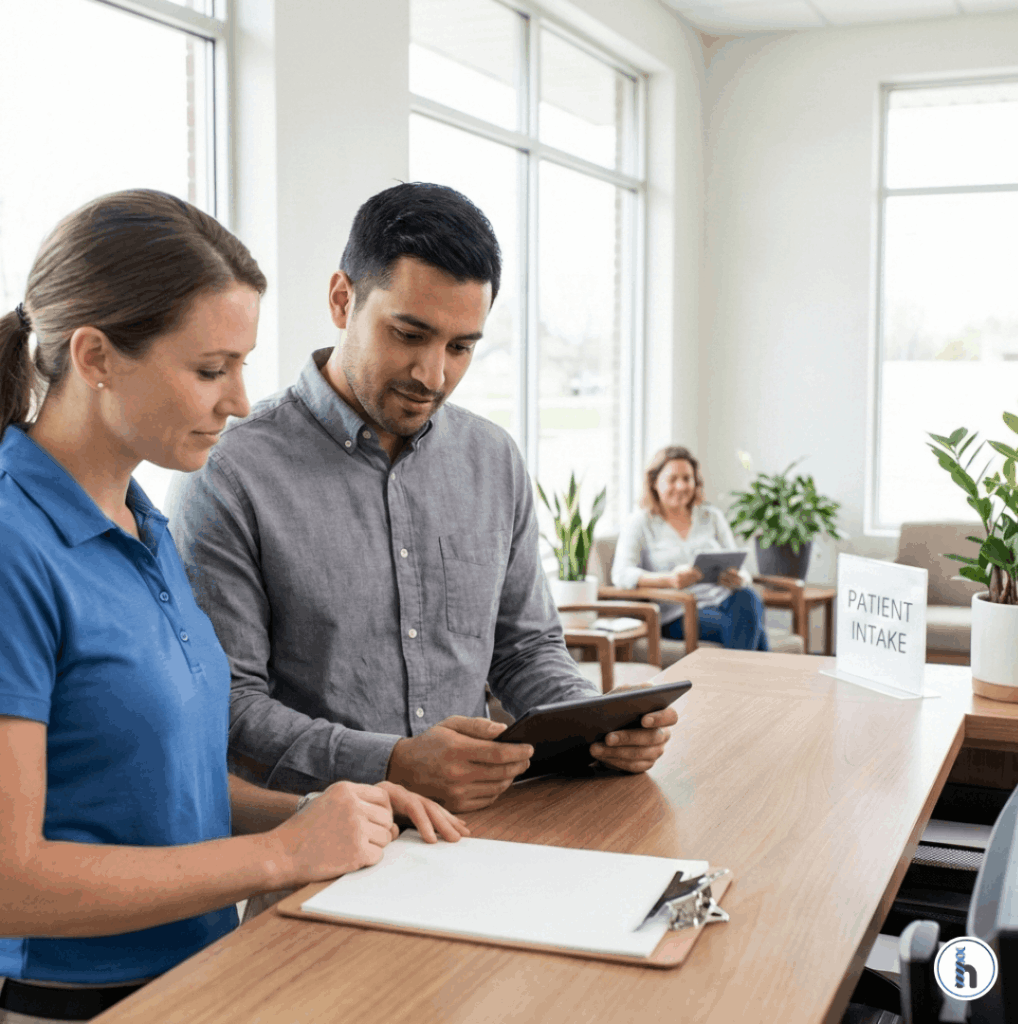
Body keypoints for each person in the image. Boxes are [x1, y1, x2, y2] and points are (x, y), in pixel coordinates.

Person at [0, 190, 465, 1024]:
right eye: (211, 370)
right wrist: (280, 853)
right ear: (96, 356)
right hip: (75, 1003)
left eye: (243, 365)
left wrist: (327, 810)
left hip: (203, 975)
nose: (242, 400)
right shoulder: (12, 545)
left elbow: (164, 787)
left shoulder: (141, 520)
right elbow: (11, 883)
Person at [168, 182, 677, 815]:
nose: (434, 375)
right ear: (341, 299)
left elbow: (524, 648)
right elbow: (229, 707)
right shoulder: (230, 470)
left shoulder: (493, 460)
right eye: (410, 334)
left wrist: (593, 724)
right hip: (318, 856)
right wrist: (390, 764)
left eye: (461, 347)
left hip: (482, 835)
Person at [611, 445, 770, 651]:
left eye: (687, 479)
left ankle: (734, 682)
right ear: (654, 483)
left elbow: (741, 568)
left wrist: (739, 578)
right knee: (751, 628)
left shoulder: (710, 516)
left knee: (748, 597)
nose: (681, 486)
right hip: (678, 612)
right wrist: (669, 579)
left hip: (725, 601)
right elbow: (621, 574)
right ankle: (758, 681)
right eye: (673, 479)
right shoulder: (640, 522)